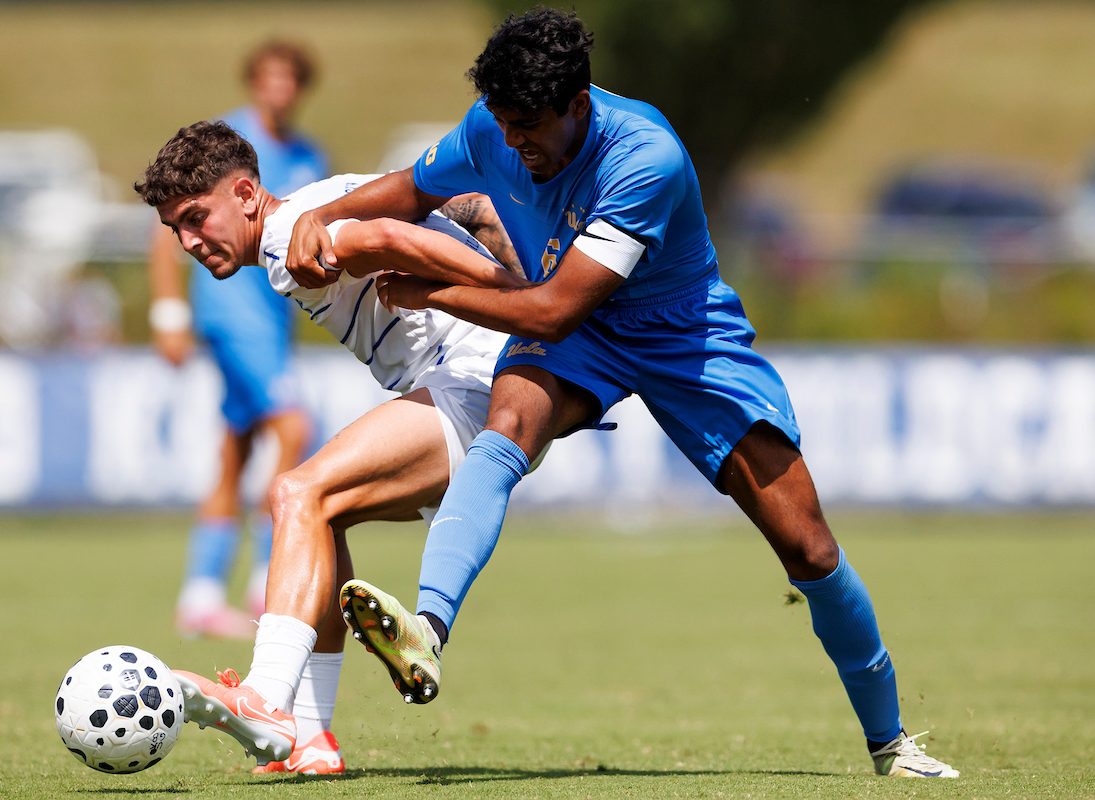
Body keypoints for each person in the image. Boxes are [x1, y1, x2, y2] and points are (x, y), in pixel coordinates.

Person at [280, 8, 960, 779]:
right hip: (584, 331)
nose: (513, 143)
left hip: (682, 335)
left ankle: (891, 742)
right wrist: (325, 218)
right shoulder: (489, 127)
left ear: (579, 104)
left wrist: (433, 293)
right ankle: (426, 629)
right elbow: (407, 190)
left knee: (808, 547)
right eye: (502, 124)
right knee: (508, 424)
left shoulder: (646, 156)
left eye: (529, 125)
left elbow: (553, 308)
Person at [133, 120, 525, 772]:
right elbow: (462, 204)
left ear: (247, 194)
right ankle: (311, 737)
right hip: (483, 383)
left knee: (296, 490)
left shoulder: (291, 237)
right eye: (178, 229)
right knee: (321, 515)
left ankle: (263, 697)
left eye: (198, 217)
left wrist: (524, 296)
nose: (190, 241)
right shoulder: (320, 198)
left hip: (477, 384)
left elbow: (389, 237)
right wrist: (516, 271)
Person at [147, 40, 326, 639]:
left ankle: (199, 595)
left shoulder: (306, 154)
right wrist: (170, 312)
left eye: (290, 80)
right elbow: (169, 226)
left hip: (272, 319)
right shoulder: (227, 148)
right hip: (230, 314)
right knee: (295, 430)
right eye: (268, 78)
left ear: (301, 88)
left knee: (237, 449)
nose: (279, 90)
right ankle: (265, 584)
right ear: (254, 83)